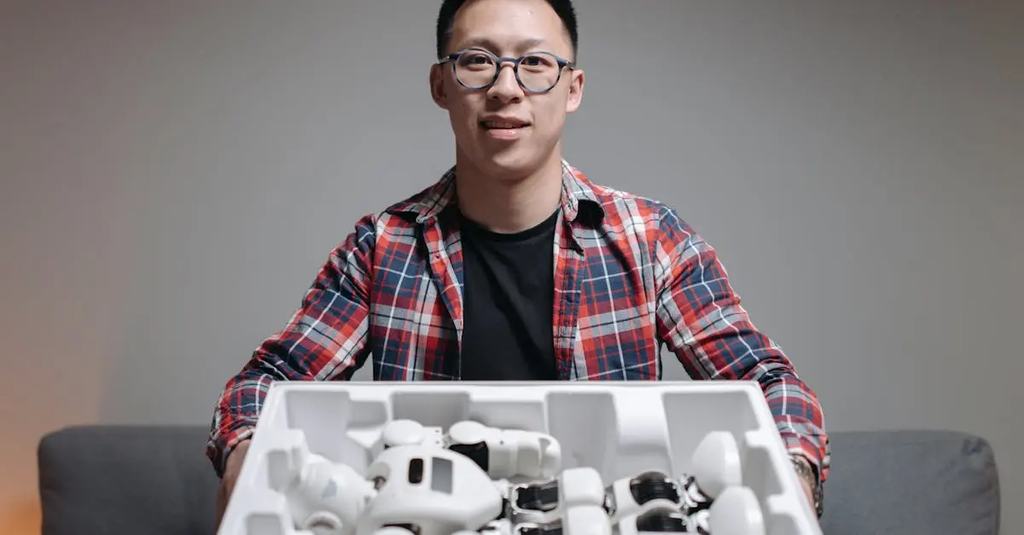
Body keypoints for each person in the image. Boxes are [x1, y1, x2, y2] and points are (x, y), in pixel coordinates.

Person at [207, 0, 830, 524]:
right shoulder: (382, 247)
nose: (506, 88)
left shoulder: (651, 240)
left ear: (572, 89)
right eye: (477, 61)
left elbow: (769, 382)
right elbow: (266, 384)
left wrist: (789, 485)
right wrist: (247, 465)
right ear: (441, 85)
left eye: (535, 63)